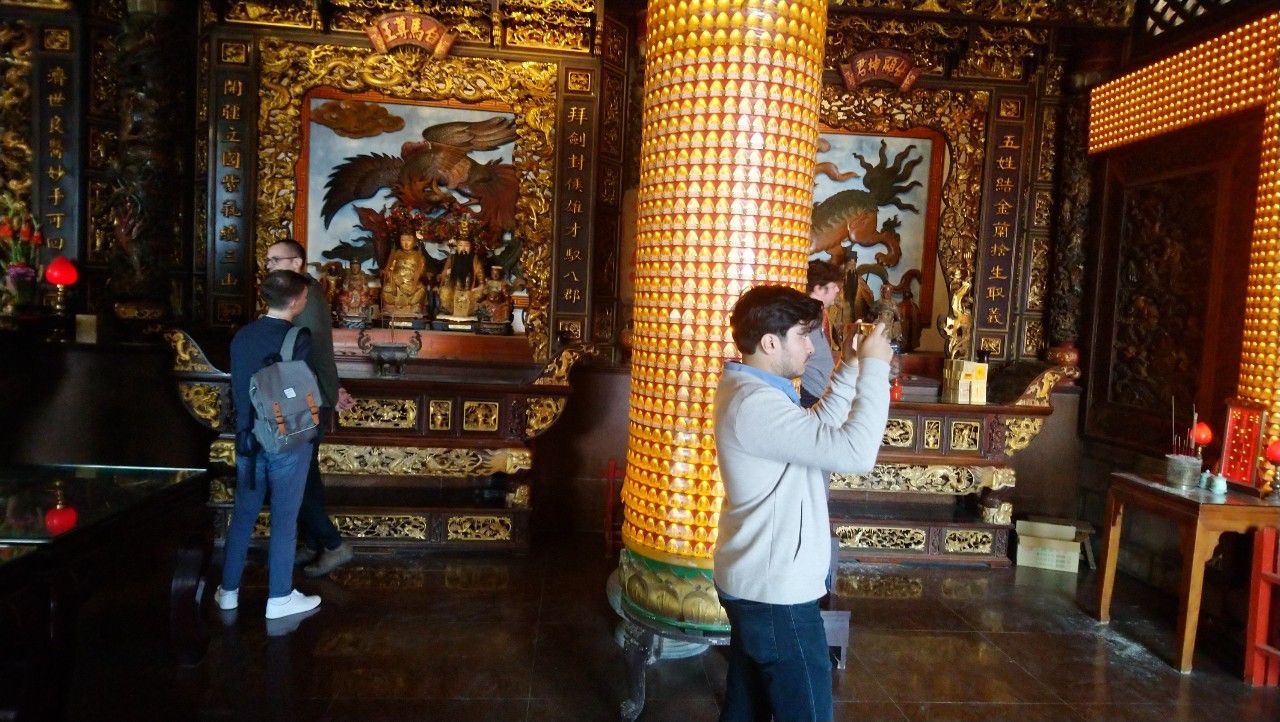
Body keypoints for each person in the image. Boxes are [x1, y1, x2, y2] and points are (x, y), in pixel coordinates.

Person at [713, 285, 893, 722]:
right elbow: (855, 453)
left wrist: (850, 367)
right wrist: (874, 369)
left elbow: (815, 431)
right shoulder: (755, 404)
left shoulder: (757, 391)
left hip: (761, 580)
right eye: (802, 335)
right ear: (770, 343)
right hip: (776, 593)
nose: (811, 347)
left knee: (746, 707)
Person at [216, 269, 322, 620]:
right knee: (284, 518)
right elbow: (305, 391)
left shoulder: (242, 336)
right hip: (285, 441)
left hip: (248, 439)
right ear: (294, 301)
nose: (305, 301)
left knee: (243, 516)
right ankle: (279, 596)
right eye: (304, 297)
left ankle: (228, 590)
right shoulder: (298, 338)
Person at [265, 240, 356, 578]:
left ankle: (333, 544)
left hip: (304, 400)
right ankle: (315, 541)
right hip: (303, 395)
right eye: (269, 261)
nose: (270, 266)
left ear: (298, 262)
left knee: (297, 477)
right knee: (306, 477)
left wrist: (329, 391)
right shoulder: (296, 293)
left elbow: (313, 350)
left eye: (276, 260)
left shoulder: (307, 296)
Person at [799, 260, 843, 408]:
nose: (837, 290)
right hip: (811, 395)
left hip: (820, 394)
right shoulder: (805, 317)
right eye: (833, 286)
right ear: (818, 288)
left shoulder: (816, 315)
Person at [380, 231, 427, 318]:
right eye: (403, 240)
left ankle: (414, 307)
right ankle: (390, 307)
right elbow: (390, 269)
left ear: (415, 241)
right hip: (396, 283)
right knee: (386, 290)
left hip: (411, 283)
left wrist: (414, 282)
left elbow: (421, 271)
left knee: (421, 290)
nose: (406, 243)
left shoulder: (418, 256)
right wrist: (389, 274)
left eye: (409, 240)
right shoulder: (396, 254)